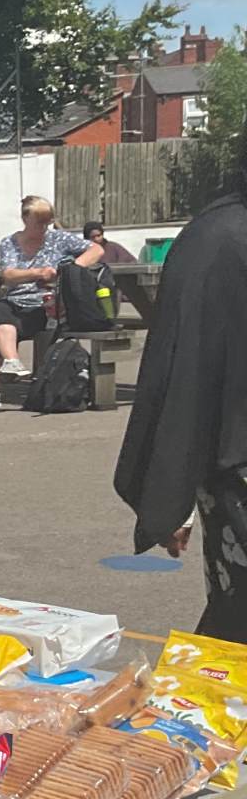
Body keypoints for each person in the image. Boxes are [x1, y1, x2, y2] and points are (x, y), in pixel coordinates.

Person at [114, 134, 247, 642]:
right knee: (234, 628)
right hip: (237, 471)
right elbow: (184, 367)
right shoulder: (221, 239)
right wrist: (173, 490)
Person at [0, 195, 103, 413]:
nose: (43, 228)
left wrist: (71, 269)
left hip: (47, 304)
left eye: (46, 223)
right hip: (16, 301)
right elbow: (9, 275)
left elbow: (96, 250)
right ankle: (12, 362)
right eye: (38, 223)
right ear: (25, 219)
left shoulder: (59, 239)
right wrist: (38, 273)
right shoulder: (9, 242)